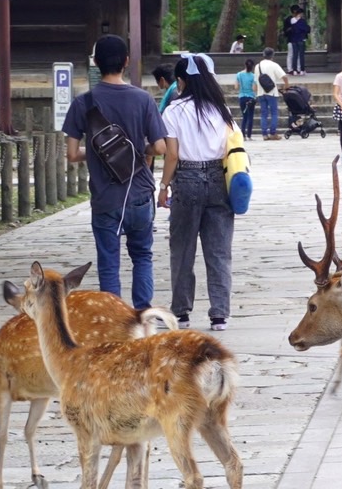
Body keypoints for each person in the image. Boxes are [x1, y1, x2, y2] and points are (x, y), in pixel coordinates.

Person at [63, 35, 169, 310]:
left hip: (105, 198)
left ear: (96, 63)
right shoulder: (143, 99)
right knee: (142, 256)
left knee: (108, 261)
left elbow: (72, 154)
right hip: (140, 194)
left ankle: (114, 318)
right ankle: (143, 314)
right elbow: (160, 146)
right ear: (126, 61)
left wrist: (99, 153)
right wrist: (136, 149)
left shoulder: (83, 104)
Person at [158, 53, 236, 332]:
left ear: (181, 81)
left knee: (182, 249)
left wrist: (164, 186)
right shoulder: (221, 110)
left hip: (187, 180)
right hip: (219, 180)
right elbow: (233, 148)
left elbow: (172, 156)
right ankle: (219, 314)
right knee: (219, 251)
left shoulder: (173, 111)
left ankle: (181, 312)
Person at [255, 48, 288, 140]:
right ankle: (273, 133)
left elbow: (255, 81)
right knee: (274, 113)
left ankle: (264, 134)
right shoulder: (274, 65)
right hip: (271, 92)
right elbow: (284, 77)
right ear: (272, 55)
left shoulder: (258, 66)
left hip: (260, 93)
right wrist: (286, 86)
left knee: (263, 114)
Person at [235, 59, 258, 139]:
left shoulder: (239, 74)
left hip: (242, 97)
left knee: (244, 116)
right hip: (251, 97)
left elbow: (236, 87)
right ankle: (249, 135)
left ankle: (243, 135)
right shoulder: (253, 76)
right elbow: (254, 88)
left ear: (245, 65)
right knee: (250, 116)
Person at [284, 5, 311, 75]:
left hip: (295, 39)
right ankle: (290, 69)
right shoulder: (289, 19)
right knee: (291, 54)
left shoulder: (300, 20)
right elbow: (286, 30)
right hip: (291, 39)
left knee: (297, 54)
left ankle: (298, 69)